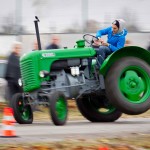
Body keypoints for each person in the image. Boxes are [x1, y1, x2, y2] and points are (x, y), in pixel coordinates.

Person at [4, 41, 23, 107]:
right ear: (14, 48)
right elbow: (16, 71)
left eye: (19, 48)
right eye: (17, 48)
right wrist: (19, 85)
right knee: (14, 99)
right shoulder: (13, 57)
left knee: (14, 99)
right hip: (14, 82)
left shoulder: (14, 57)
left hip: (13, 81)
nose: (18, 50)